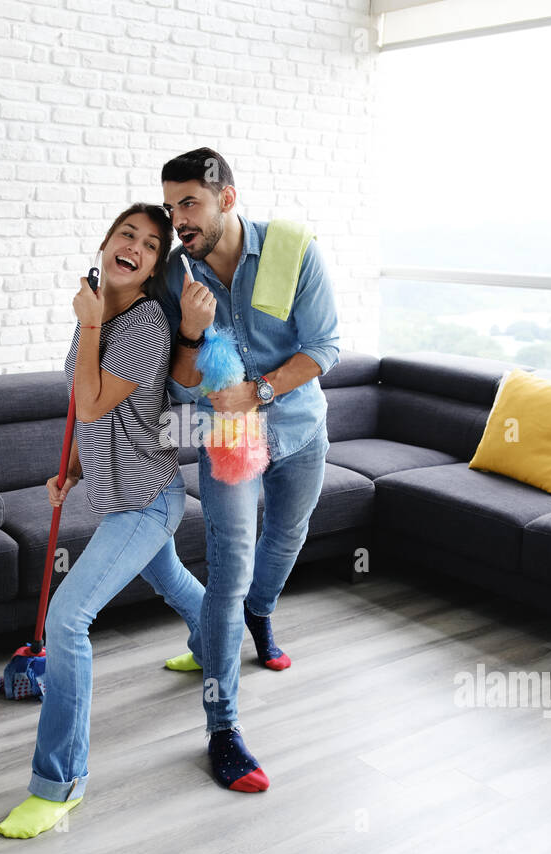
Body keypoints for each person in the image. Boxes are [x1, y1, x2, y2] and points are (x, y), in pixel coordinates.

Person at [0, 203, 207, 838]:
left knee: (67, 619)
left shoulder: (141, 324)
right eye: (126, 235)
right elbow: (97, 415)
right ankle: (219, 638)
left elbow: (91, 400)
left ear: (151, 269)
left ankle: (59, 783)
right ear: (106, 243)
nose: (135, 247)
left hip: (149, 499)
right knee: (171, 580)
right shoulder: (96, 312)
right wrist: (75, 471)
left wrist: (88, 327)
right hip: (116, 493)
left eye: (150, 244)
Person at [157, 146, 341, 791]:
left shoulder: (292, 250)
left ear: (226, 199)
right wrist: (187, 332)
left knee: (289, 535)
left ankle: (261, 616)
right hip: (226, 443)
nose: (179, 218)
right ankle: (223, 729)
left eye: (191, 203)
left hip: (297, 429)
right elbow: (179, 388)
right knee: (228, 572)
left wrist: (258, 391)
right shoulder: (177, 276)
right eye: (171, 204)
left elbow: (325, 346)